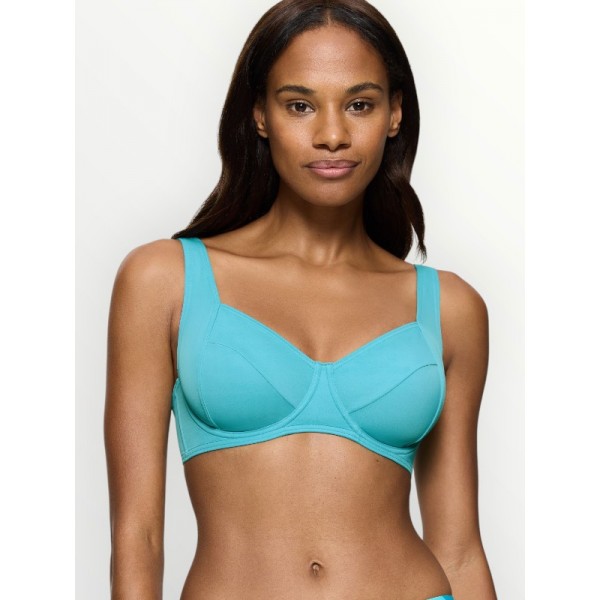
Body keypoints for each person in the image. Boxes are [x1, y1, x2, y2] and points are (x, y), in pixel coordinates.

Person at [104, 1, 497, 598]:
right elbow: (138, 536)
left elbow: (459, 549)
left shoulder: (450, 308)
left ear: (395, 114)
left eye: (360, 104)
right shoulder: (164, 279)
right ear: (260, 114)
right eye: (300, 105)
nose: (332, 135)